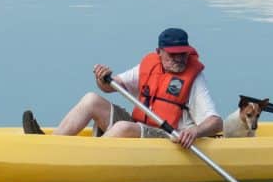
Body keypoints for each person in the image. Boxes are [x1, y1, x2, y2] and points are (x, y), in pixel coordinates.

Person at [23, 27, 223, 151]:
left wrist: (195, 131)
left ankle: (84, 159)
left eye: (183, 54)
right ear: (159, 52)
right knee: (91, 99)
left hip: (169, 137)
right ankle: (50, 146)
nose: (179, 59)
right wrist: (102, 79)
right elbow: (109, 87)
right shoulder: (149, 66)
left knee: (122, 127)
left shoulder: (195, 79)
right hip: (139, 126)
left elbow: (216, 122)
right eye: (173, 55)